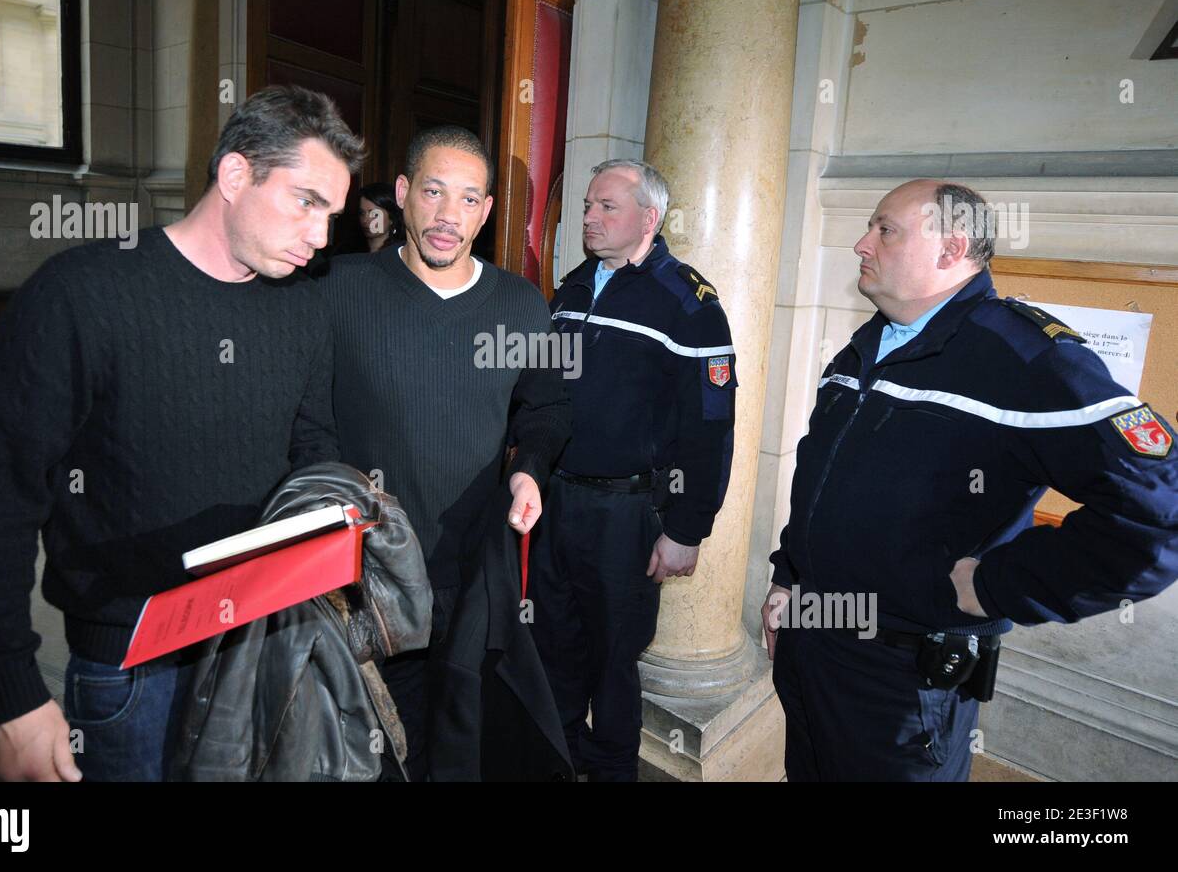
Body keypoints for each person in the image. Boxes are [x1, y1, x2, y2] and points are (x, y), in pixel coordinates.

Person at [0, 85, 362, 781]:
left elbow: (312, 444)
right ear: (234, 175)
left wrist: (333, 513)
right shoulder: (82, 294)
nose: (321, 236)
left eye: (333, 215)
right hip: (131, 667)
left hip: (260, 646)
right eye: (307, 202)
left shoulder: (305, 304)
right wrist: (6, 692)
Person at [760, 178, 1178, 781]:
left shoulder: (1021, 356)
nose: (860, 244)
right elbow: (822, 485)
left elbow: (1158, 513)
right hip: (814, 645)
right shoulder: (868, 344)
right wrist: (788, 578)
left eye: (884, 229)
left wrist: (998, 585)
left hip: (900, 685)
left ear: (952, 249)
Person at [298, 124, 572, 779]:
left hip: (472, 564)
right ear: (402, 194)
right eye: (434, 192)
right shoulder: (339, 288)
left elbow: (548, 409)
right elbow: (308, 419)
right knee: (373, 736)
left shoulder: (521, 304)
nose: (450, 216)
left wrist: (530, 472)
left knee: (462, 732)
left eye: (470, 199)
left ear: (486, 211)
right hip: (365, 567)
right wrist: (334, 513)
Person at [530, 159, 736, 781]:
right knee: (553, 643)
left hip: (627, 513)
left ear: (649, 218)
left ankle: (614, 769)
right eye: (588, 206)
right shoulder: (570, 287)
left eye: (605, 207)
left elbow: (711, 425)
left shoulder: (688, 303)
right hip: (554, 500)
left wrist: (686, 529)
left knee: (614, 659)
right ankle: (560, 759)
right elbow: (543, 386)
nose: (589, 217)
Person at [358, 181, 404, 253]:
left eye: (375, 215)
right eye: (362, 213)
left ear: (391, 218)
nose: (365, 220)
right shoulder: (348, 250)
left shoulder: (400, 253)